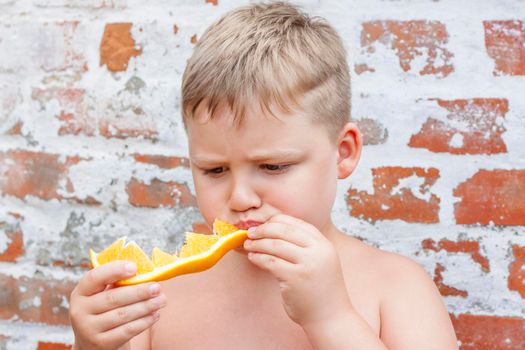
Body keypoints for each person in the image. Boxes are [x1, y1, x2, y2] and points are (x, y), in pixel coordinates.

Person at [70, 2, 458, 349]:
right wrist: (93, 343)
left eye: (273, 166)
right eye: (214, 170)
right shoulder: (158, 294)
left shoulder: (396, 287)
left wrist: (330, 317)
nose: (240, 197)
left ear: (343, 152)